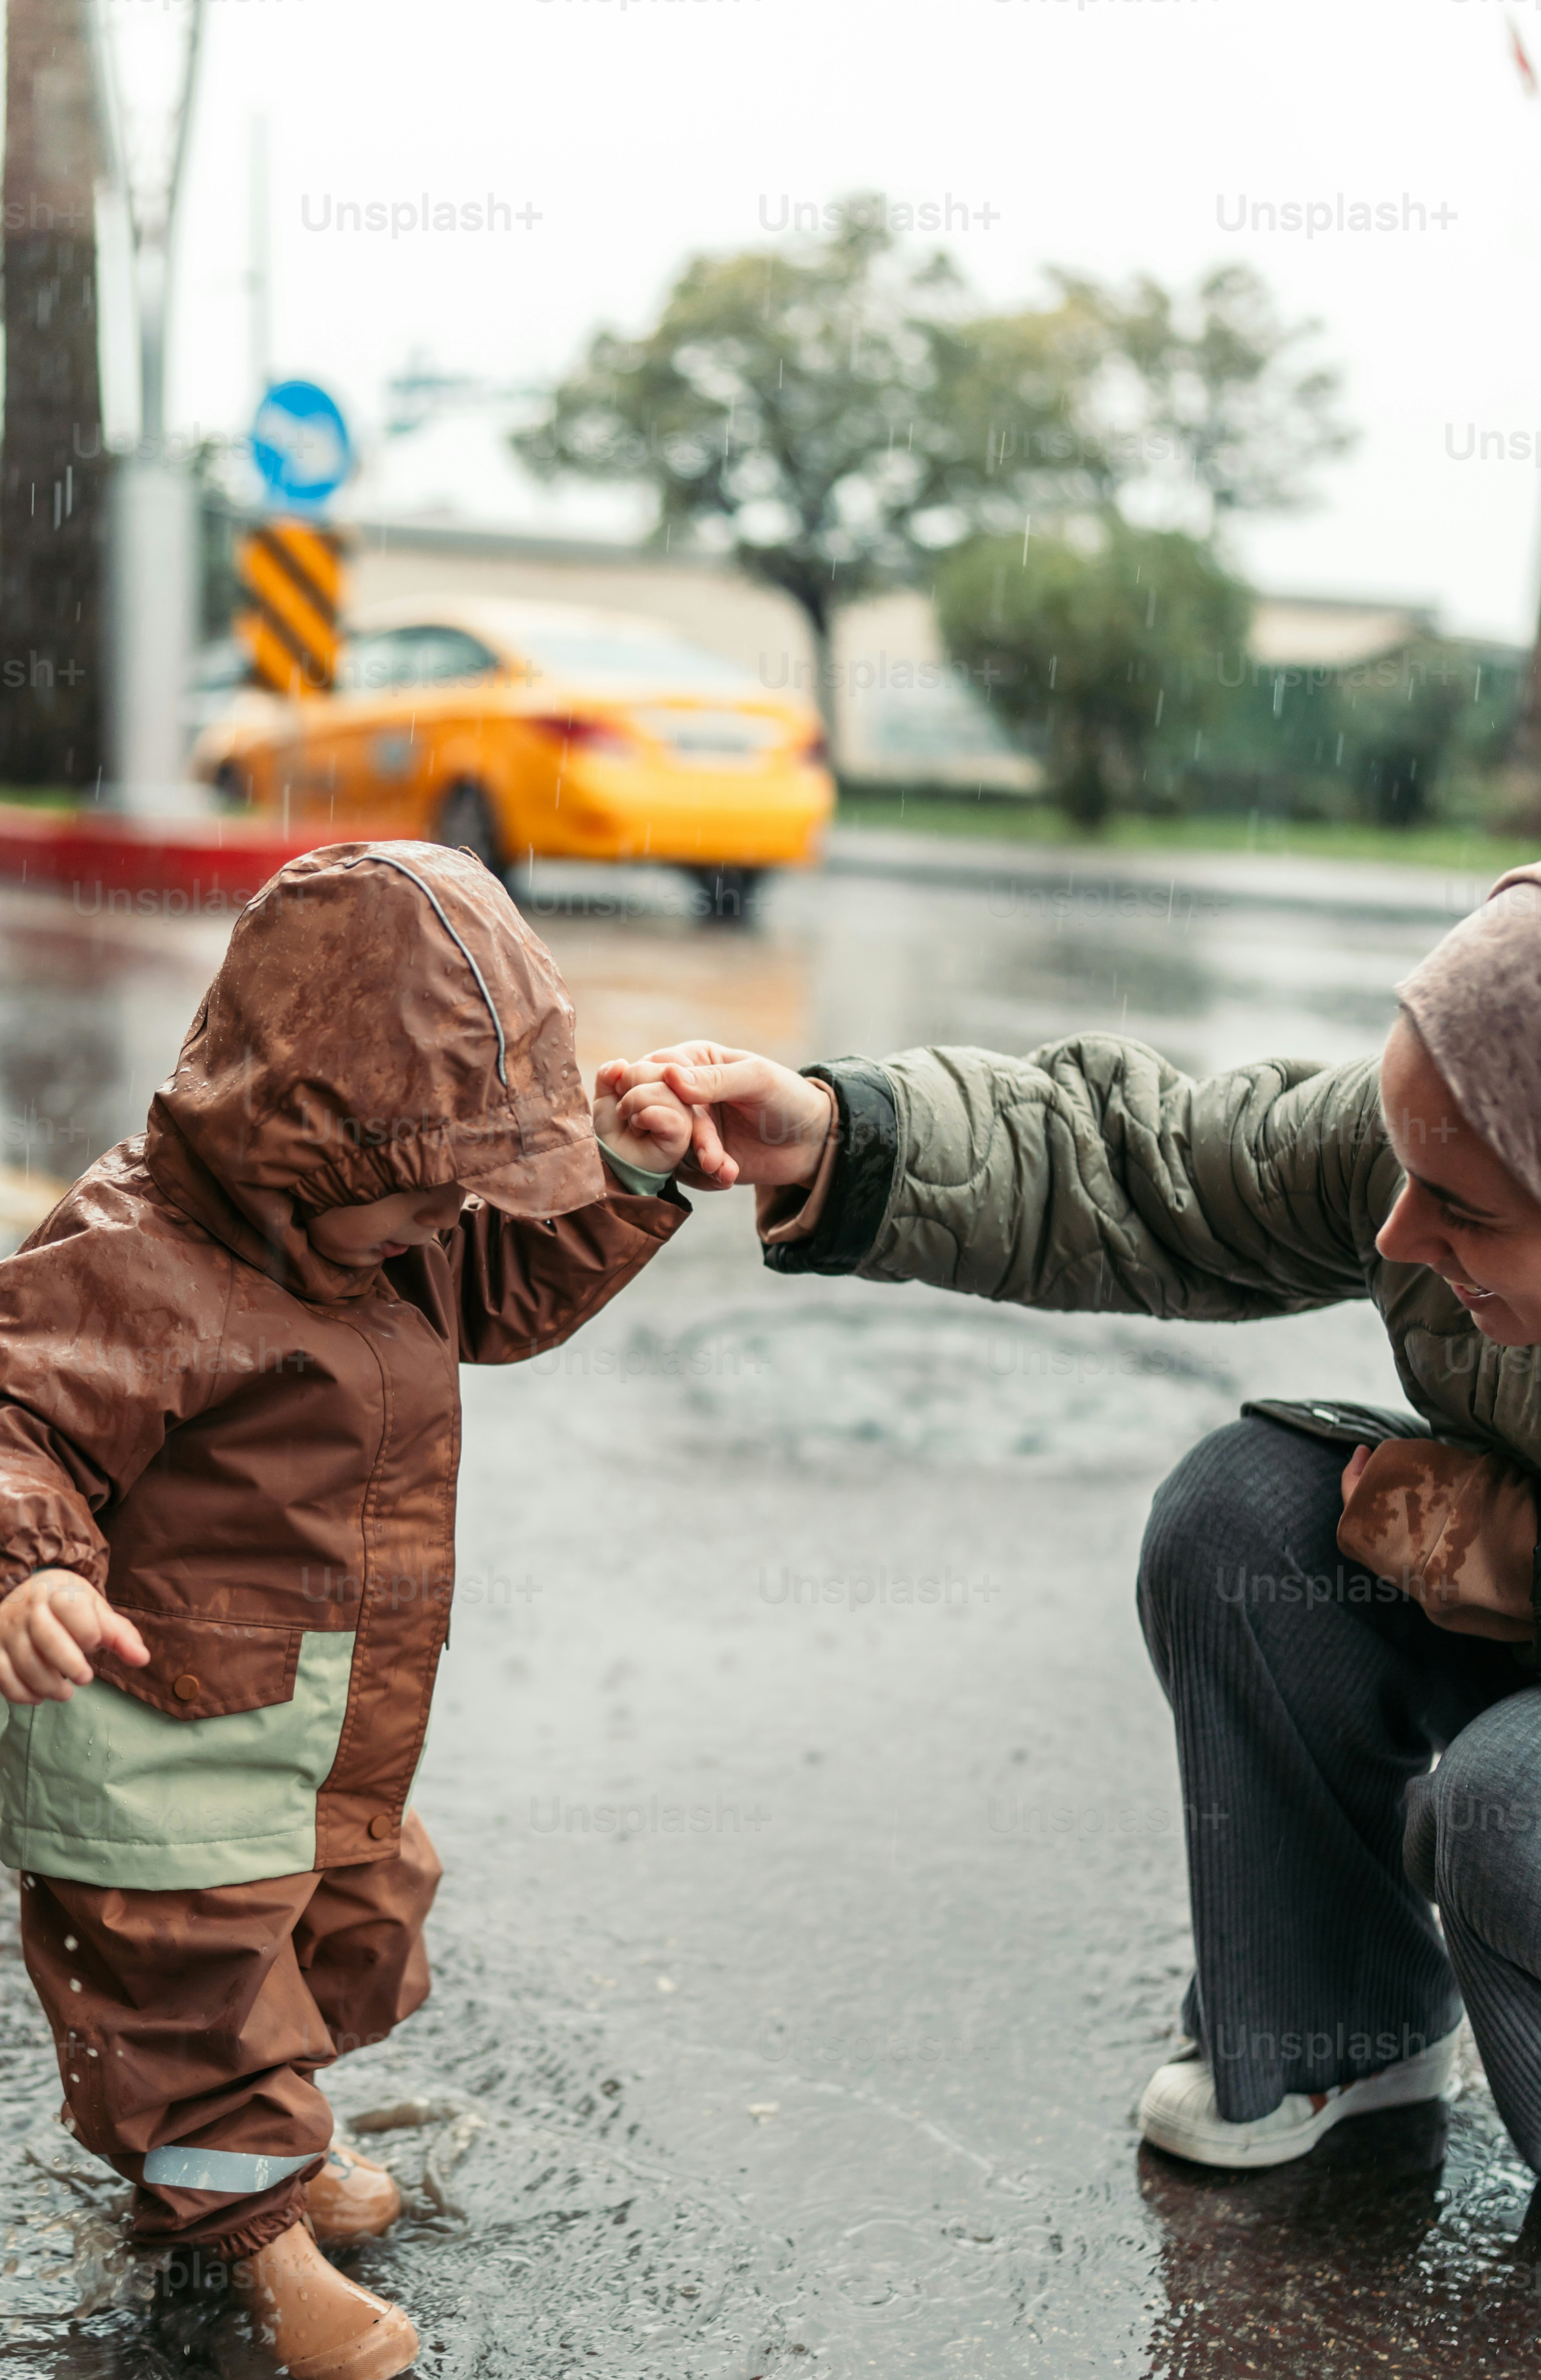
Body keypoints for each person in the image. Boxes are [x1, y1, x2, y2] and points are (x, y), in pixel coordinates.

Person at [0, 842, 702, 2380]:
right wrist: (26, 1570)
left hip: (324, 1711)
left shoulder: (385, 1235)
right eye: (405, 1198)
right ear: (295, 1141)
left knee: (338, 1929)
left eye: (448, 1198)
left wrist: (638, 1179)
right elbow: (6, 1422)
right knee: (189, 1985)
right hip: (161, 1727)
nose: (427, 1231)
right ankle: (257, 2240)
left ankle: (258, 2151)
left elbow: (509, 1292)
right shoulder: (138, 1260)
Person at [609, 863, 1541, 2177]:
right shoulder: (1449, 1139)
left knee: (1511, 1813)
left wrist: (1496, 1540)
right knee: (1246, 1519)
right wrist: (831, 1134)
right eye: (1402, 1171)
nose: (1397, 1227)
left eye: (1465, 1212)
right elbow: (1148, 1166)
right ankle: (1337, 2032)